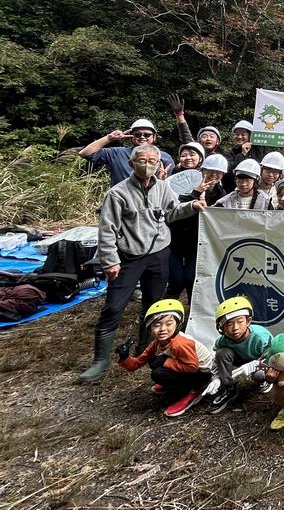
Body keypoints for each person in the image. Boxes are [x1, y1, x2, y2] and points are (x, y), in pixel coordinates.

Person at [79, 145, 205, 384]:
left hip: (159, 255)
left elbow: (171, 212)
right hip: (128, 258)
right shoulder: (118, 193)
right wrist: (110, 261)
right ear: (131, 163)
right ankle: (101, 360)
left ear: (159, 163)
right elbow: (107, 231)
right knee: (114, 306)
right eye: (142, 160)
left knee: (153, 305)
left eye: (152, 161)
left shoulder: (163, 187)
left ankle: (147, 349)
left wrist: (191, 207)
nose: (147, 164)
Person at [115, 299, 213, 417]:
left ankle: (193, 390)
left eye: (169, 324)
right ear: (150, 328)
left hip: (202, 374)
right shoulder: (157, 343)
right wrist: (125, 357)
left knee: (158, 372)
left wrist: (166, 362)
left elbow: (192, 367)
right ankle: (177, 383)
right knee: (154, 362)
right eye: (156, 325)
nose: (162, 329)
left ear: (177, 324)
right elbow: (136, 363)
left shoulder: (180, 343)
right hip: (188, 368)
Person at [208, 296, 272, 413]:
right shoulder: (222, 341)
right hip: (239, 360)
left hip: (260, 361)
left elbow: (271, 356)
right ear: (221, 327)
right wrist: (216, 378)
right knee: (221, 353)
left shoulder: (259, 337)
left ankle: (265, 380)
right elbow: (216, 361)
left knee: (259, 375)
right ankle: (229, 388)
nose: (235, 328)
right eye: (229, 324)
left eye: (240, 321)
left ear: (248, 321)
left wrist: (254, 365)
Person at [164, 142, 206, 311]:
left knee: (191, 280)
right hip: (172, 237)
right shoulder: (170, 178)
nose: (188, 158)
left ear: (201, 158)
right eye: (184, 155)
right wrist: (195, 194)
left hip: (197, 239)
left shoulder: (209, 177)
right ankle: (162, 318)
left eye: (192, 154)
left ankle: (192, 319)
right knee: (175, 281)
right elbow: (170, 207)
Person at [78, 118, 174, 186]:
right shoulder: (117, 153)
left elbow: (171, 184)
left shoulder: (164, 157)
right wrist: (109, 138)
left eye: (147, 135)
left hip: (151, 205)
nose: (142, 137)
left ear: (154, 137)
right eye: (137, 134)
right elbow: (85, 153)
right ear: (131, 136)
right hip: (121, 203)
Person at [165, 94, 224, 158]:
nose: (208, 138)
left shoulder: (222, 158)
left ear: (217, 141)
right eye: (204, 136)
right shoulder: (194, 151)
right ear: (199, 140)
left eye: (212, 136)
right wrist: (179, 115)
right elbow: (185, 134)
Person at [224, 120, 268, 192]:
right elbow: (229, 172)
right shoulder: (230, 153)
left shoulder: (258, 150)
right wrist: (243, 154)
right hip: (235, 190)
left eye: (243, 134)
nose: (239, 137)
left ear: (250, 136)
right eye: (237, 134)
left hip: (257, 190)